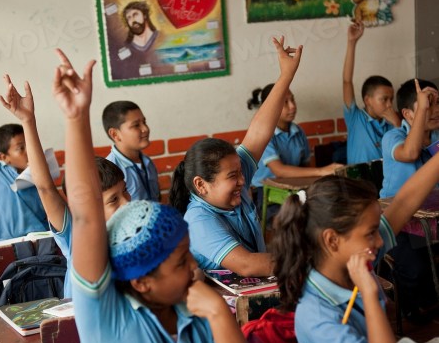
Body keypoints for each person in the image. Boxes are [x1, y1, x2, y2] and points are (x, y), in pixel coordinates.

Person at [53, 48, 262, 343]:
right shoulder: (107, 318)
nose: (194, 269)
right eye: (181, 262)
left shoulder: (194, 312)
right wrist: (76, 118)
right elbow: (86, 216)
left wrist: (219, 315)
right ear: (141, 283)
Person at [270, 147, 439, 343]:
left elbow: (404, 201)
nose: (380, 241)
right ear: (332, 240)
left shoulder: (352, 258)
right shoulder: (316, 313)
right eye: (370, 233)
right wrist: (369, 294)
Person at [170, 37, 302, 277]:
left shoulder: (231, 189)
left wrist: (286, 75)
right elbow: (247, 265)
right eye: (233, 176)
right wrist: (314, 260)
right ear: (201, 185)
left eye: (241, 172)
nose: (243, 180)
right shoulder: (198, 219)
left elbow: (259, 132)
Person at [0, 74, 131, 298]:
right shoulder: (76, 234)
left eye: (125, 191)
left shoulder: (132, 230)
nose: (127, 201)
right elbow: (45, 188)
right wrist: (28, 121)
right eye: (113, 199)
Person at [380, 78, 439, 322]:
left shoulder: (436, 138)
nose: (435, 109)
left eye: (437, 103)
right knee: (415, 269)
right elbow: (410, 153)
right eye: (428, 103)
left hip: (431, 221)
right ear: (408, 114)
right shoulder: (393, 137)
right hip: (398, 223)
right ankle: (409, 308)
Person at [248, 84, 343, 217]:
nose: (292, 106)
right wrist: (322, 171)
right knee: (289, 221)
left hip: (294, 189)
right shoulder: (263, 134)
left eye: (292, 99)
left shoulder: (298, 132)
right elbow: (279, 171)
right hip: (267, 193)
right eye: (285, 102)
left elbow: (306, 167)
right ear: (270, 107)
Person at [342, 20, 400, 164]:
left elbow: (406, 153)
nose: (389, 105)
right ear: (368, 100)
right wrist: (351, 43)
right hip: (359, 177)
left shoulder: (391, 123)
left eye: (391, 99)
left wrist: (398, 124)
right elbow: (347, 81)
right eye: (384, 99)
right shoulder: (356, 118)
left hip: (383, 177)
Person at [0, 122, 48, 242]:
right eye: (21, 148)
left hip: (43, 239)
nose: (29, 151)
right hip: (3, 243)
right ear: (4, 157)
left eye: (29, 145)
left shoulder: (42, 171)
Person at [102, 100, 159, 202]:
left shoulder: (147, 161)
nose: (145, 129)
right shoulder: (110, 171)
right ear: (115, 134)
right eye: (136, 125)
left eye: (144, 122)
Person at [111, 0, 163, 80]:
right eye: (129, 18)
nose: (133, 20)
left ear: (144, 15)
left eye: (135, 14)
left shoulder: (161, 37)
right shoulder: (126, 47)